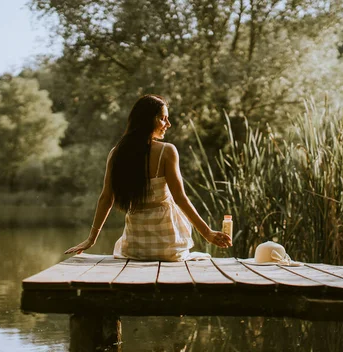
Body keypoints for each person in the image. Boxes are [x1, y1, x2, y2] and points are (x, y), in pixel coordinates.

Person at [64, 94, 231, 260]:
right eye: (163, 119)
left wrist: (91, 239)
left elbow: (106, 198)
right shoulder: (167, 151)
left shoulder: (117, 154)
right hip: (169, 248)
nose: (168, 124)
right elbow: (180, 198)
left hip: (136, 249)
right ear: (148, 120)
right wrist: (207, 233)